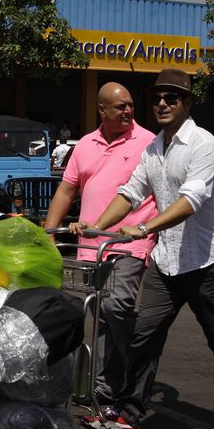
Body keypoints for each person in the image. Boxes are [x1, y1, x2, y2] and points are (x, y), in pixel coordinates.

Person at [71, 69, 214, 429]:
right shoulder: (154, 149)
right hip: (165, 263)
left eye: (172, 98)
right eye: (157, 99)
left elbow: (191, 200)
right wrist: (96, 226)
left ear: (187, 102)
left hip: (205, 263)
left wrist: (146, 228)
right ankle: (132, 415)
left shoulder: (204, 145)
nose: (162, 104)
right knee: (143, 338)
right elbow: (130, 192)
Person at [44, 82, 157, 409]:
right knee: (100, 316)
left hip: (129, 243)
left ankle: (138, 359)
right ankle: (106, 393)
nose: (128, 111)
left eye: (131, 105)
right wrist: (50, 233)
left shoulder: (148, 142)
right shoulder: (85, 146)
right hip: (89, 248)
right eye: (120, 107)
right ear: (102, 110)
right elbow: (66, 192)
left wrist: (153, 230)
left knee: (115, 305)